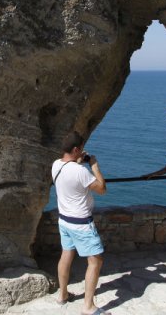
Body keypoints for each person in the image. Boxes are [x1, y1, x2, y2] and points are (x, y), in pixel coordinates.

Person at [52, 131, 111, 315]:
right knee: (95, 260)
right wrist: (94, 166)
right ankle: (88, 307)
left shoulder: (56, 165)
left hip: (64, 221)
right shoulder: (81, 172)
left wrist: (78, 160)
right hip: (81, 223)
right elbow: (102, 189)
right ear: (76, 149)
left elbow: (71, 174)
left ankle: (62, 295)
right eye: (81, 148)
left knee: (66, 255)